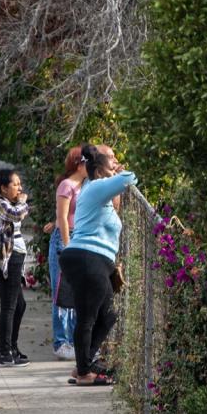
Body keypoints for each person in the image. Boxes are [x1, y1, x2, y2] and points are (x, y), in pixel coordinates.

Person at [59, 144, 136, 385]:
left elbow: (116, 201)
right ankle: (83, 373)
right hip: (86, 258)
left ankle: (84, 362)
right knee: (88, 316)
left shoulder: (99, 191)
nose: (116, 162)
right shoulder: (96, 186)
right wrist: (118, 173)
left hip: (95, 260)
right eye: (111, 159)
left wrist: (113, 174)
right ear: (99, 167)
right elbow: (130, 177)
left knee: (109, 315)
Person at [0, 168, 32, 367]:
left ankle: (12, 348)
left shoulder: (5, 202)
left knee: (20, 305)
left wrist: (21, 203)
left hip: (14, 258)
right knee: (10, 306)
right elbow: (17, 214)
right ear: (3, 188)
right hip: (6, 259)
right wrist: (23, 202)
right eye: (15, 184)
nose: (19, 188)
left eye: (20, 183)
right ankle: (4, 354)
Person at [49, 146, 87, 360]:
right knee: (61, 291)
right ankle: (61, 341)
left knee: (76, 293)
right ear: (78, 163)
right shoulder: (67, 185)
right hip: (65, 239)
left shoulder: (86, 185)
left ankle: (73, 340)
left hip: (79, 238)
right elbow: (62, 217)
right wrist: (67, 244)